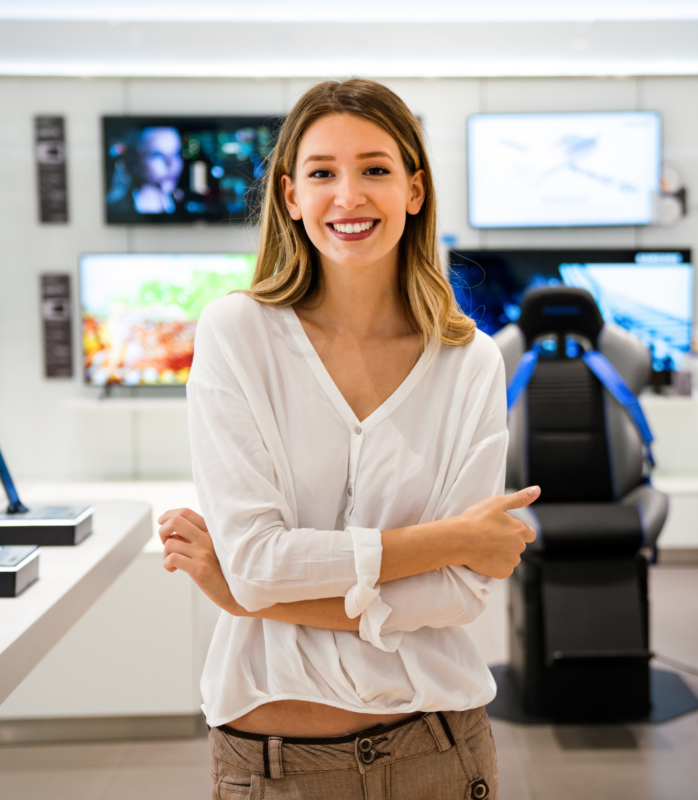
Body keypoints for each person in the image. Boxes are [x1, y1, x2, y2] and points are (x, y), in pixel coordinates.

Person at [158, 78, 539, 799]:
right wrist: (449, 539)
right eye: (322, 173)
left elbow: (457, 593)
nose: (348, 196)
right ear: (290, 195)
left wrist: (247, 598)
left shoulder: (470, 363)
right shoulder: (237, 334)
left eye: (374, 169)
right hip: (273, 767)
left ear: (414, 190)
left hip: (439, 751)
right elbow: (260, 562)